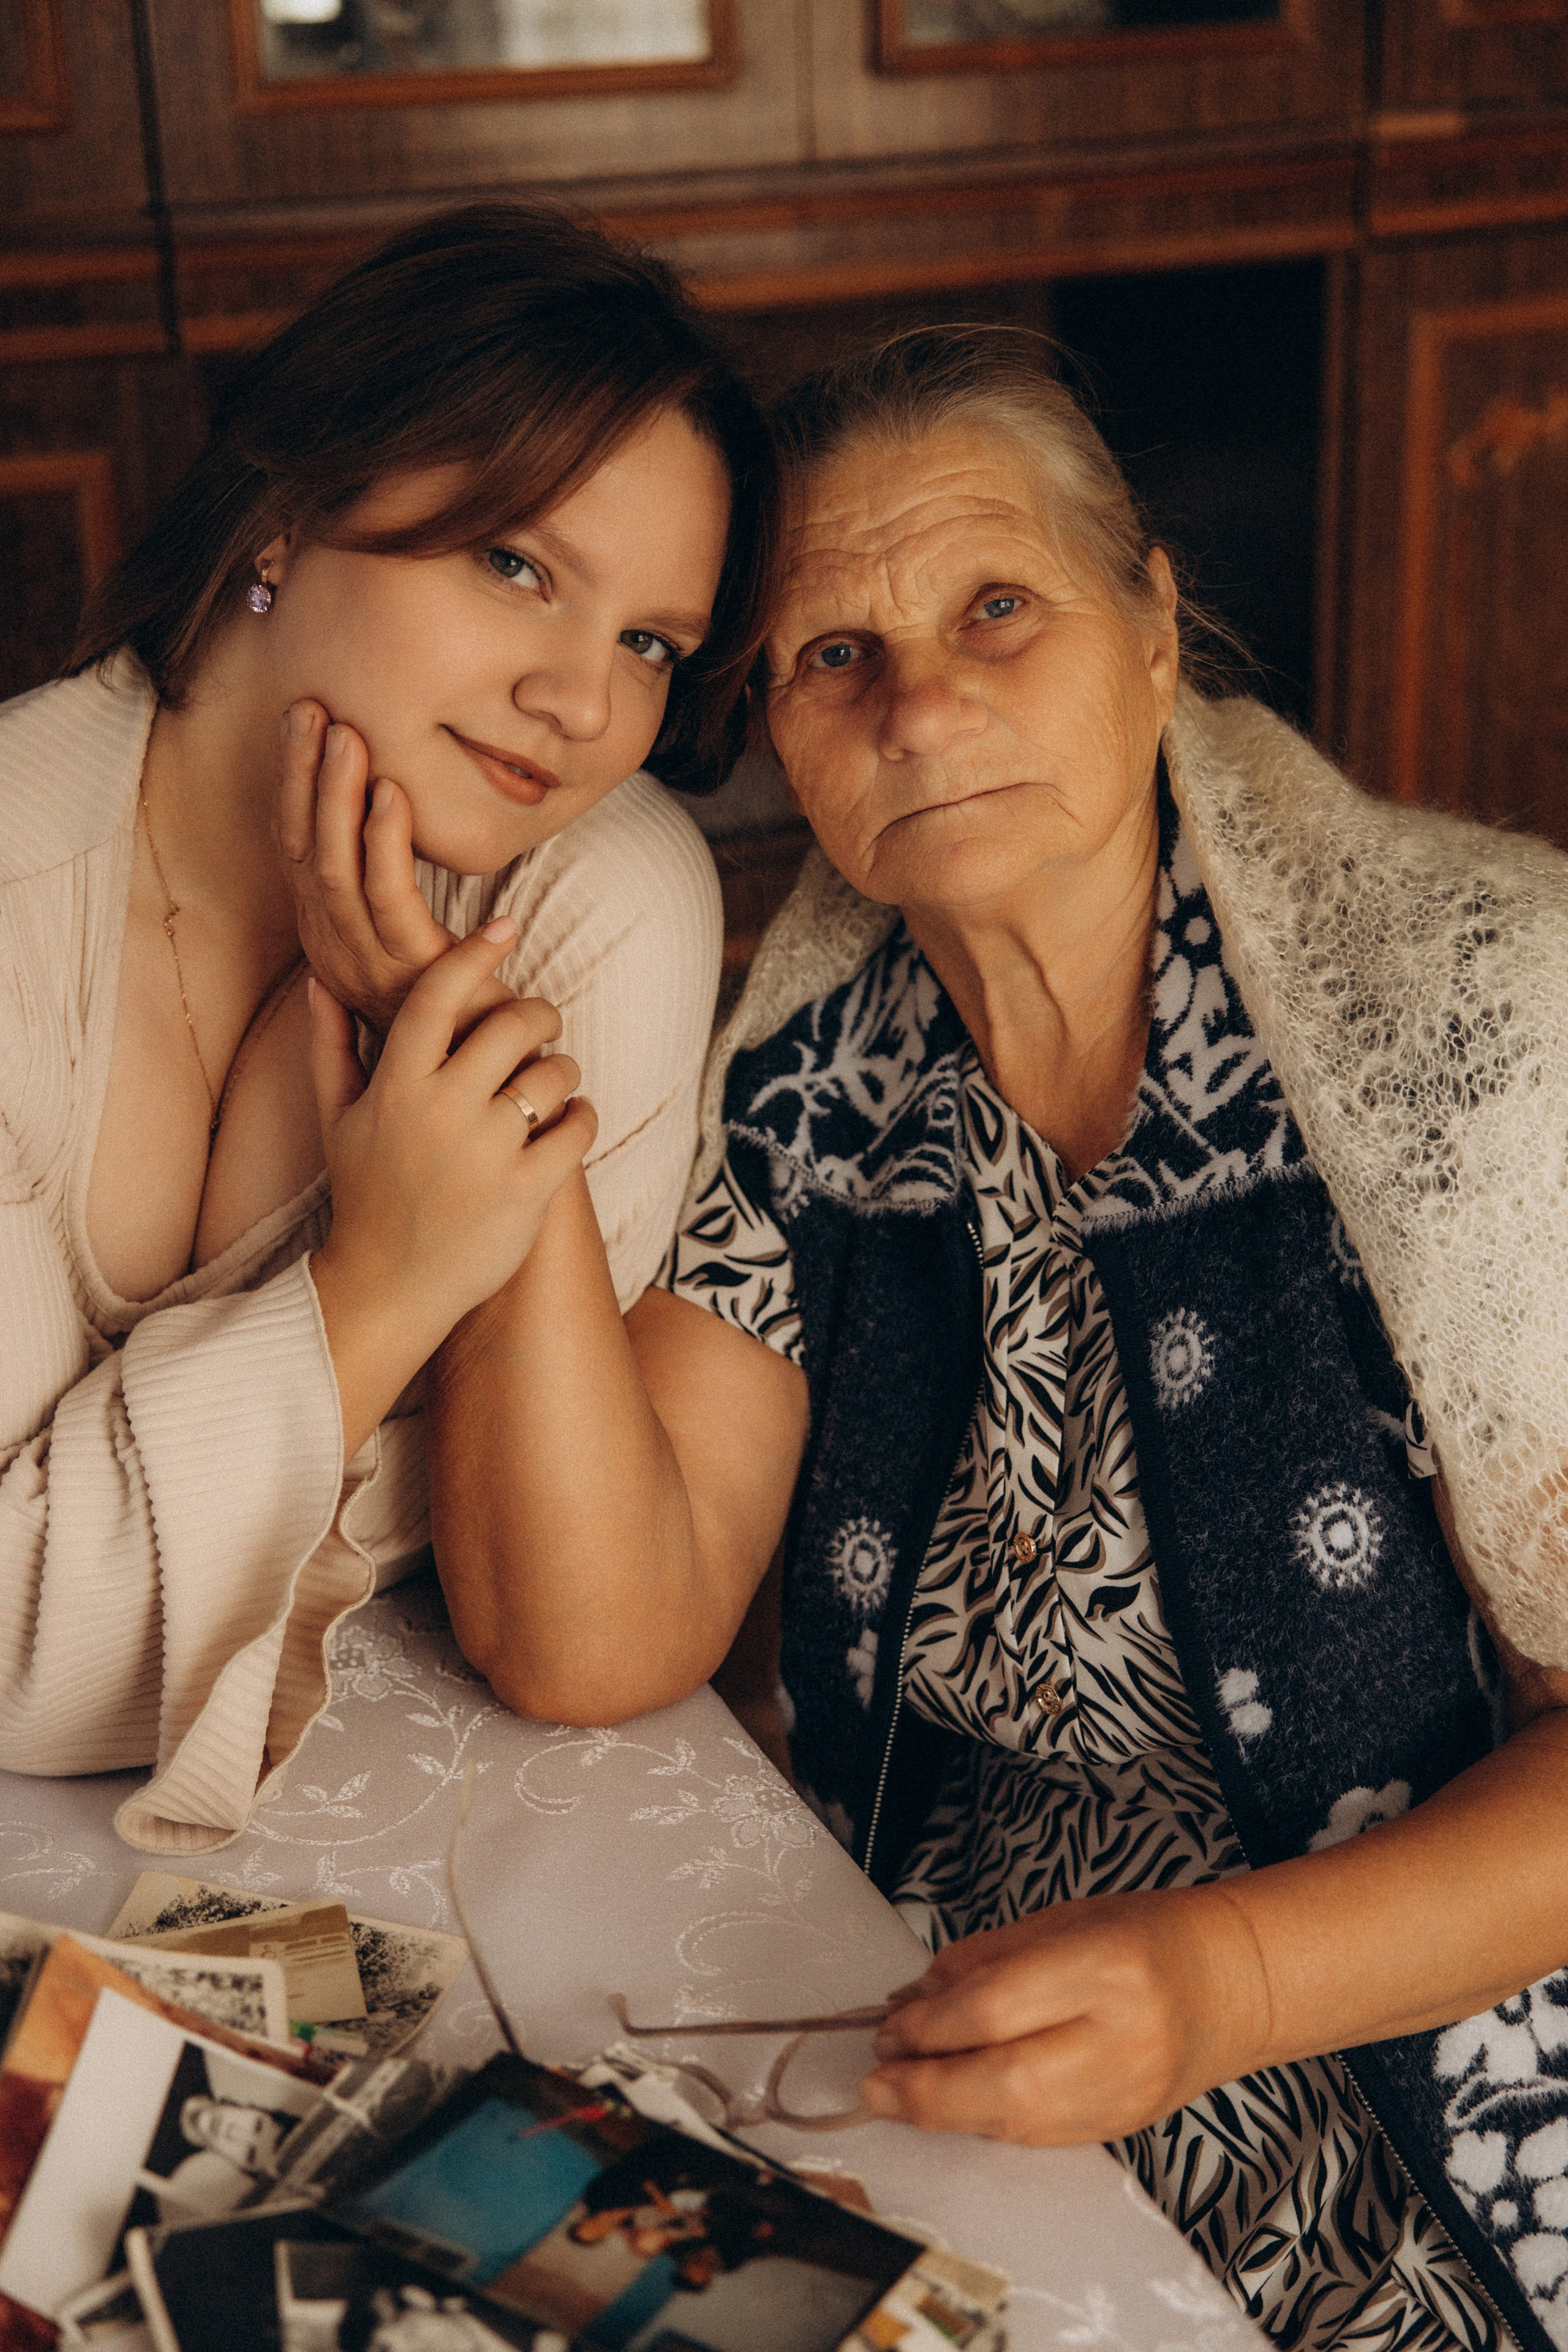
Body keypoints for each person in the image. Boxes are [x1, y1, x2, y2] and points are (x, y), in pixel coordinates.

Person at [487, 327, 1568, 2351]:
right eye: (835, 655)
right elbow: (597, 1634)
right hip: (954, 2018)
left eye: (997, 608)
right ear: (781, 735)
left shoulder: (1479, 1039)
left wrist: (1221, 1988)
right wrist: (510, 1109)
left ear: (1152, 628)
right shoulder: (815, 1087)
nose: (921, 707)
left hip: (1431, 2079)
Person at [0, 200, 772, 1853]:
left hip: (437, 1816)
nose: (584, 705)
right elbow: (11, 1658)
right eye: (518, 566)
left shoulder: (596, 901)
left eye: (649, 644)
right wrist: (390, 1278)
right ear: (287, 515)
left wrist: (457, 1041)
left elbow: (565, 1621)